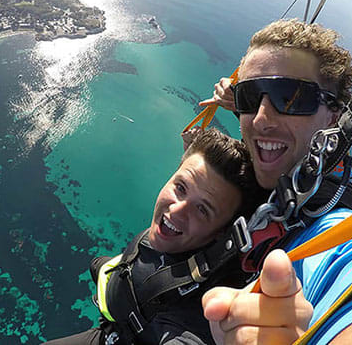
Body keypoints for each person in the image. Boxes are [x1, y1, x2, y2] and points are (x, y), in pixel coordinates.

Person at [198, 19, 352, 344]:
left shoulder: (338, 230)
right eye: (252, 95)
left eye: (291, 97)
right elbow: (267, 125)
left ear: (333, 115)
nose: (260, 119)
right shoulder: (293, 163)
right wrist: (238, 104)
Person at [43, 128, 275, 344]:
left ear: (223, 233)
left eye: (202, 209)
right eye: (180, 187)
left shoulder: (198, 310)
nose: (176, 210)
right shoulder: (178, 236)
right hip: (119, 299)